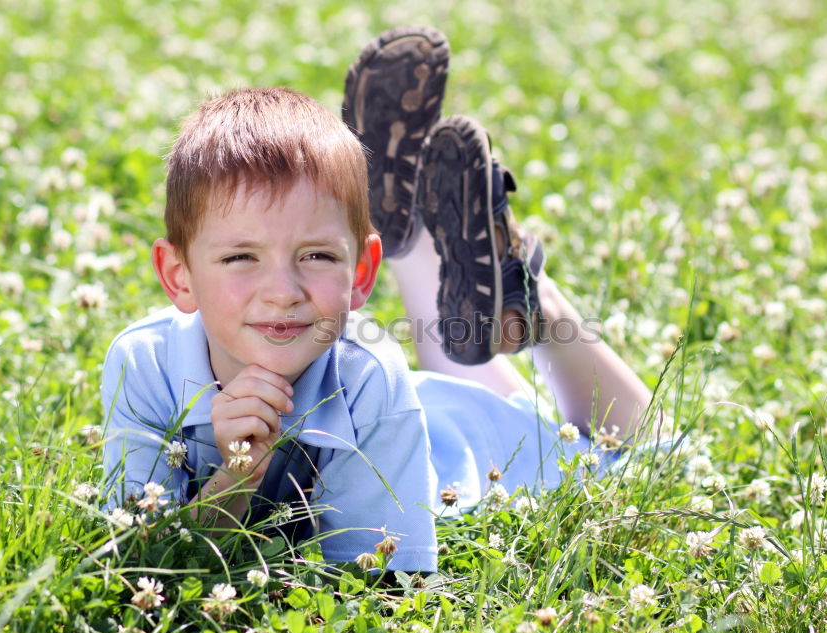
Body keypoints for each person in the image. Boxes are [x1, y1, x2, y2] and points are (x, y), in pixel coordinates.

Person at [101, 26, 654, 574]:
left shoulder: (371, 375)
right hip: (415, 409)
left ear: (361, 272)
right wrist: (237, 476)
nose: (282, 292)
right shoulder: (143, 364)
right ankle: (417, 240)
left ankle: (530, 298)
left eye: (317, 256)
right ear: (179, 276)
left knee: (637, 446)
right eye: (240, 258)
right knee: (465, 386)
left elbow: (377, 581)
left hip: (469, 454)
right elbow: (143, 563)